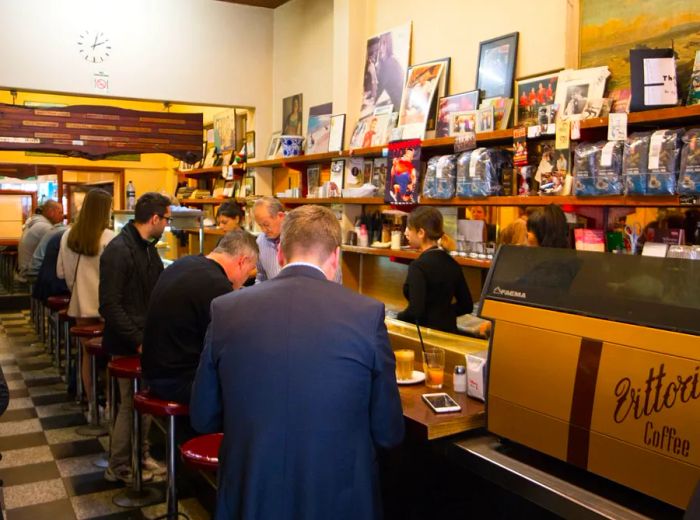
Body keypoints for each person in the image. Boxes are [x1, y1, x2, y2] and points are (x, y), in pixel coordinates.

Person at [190, 205, 404, 520]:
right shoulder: (367, 314)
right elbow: (388, 431)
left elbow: (203, 416)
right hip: (339, 498)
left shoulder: (225, 310)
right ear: (335, 257)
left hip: (252, 494)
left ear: (280, 256)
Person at [99, 192, 171, 484]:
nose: (167, 224)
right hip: (126, 343)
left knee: (139, 405)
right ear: (154, 219)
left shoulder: (146, 247)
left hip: (144, 338)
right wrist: (138, 339)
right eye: (166, 219)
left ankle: (139, 456)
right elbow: (109, 305)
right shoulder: (119, 250)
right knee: (130, 404)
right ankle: (119, 465)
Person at [142, 229, 259, 405]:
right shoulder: (217, 285)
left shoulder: (184, 263)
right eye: (249, 272)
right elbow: (229, 345)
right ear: (242, 262)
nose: (244, 280)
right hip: (178, 381)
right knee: (250, 391)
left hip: (153, 370)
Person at [57, 189, 115, 409]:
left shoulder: (68, 236)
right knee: (111, 356)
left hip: (80, 304)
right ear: (104, 210)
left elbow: (62, 273)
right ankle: (110, 403)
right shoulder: (110, 237)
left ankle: (92, 404)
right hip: (105, 306)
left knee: (86, 355)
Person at [397, 207, 473, 334]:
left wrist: (397, 317)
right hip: (449, 334)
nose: (406, 233)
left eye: (409, 228)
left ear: (421, 233)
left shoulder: (418, 266)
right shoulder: (453, 264)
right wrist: (444, 313)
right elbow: (467, 305)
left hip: (426, 336)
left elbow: (416, 310)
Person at [253, 196, 342, 284]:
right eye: (260, 225)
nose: (264, 230)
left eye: (266, 224)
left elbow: (335, 278)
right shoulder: (261, 241)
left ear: (281, 216)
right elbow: (261, 276)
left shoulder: (303, 237)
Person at [16, 200, 63, 281]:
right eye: (60, 213)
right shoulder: (45, 227)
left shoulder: (36, 222)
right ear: (51, 212)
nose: (62, 216)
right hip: (30, 274)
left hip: (23, 269)